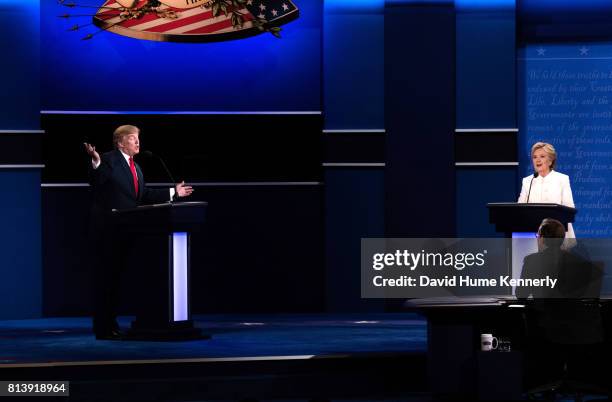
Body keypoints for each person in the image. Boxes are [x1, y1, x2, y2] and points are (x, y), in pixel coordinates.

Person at [84, 125, 193, 340]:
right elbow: (96, 181)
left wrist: (174, 192)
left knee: (118, 281)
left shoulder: (137, 167)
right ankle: (104, 328)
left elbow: (143, 195)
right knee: (107, 281)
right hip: (109, 231)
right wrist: (95, 162)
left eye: (138, 139)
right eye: (132, 139)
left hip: (129, 231)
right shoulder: (108, 159)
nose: (137, 143)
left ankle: (113, 324)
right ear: (120, 142)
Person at [517, 142, 576, 239]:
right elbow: (519, 209)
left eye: (542, 156)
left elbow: (569, 208)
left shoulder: (562, 179)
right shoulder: (528, 181)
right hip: (532, 234)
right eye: (535, 157)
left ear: (550, 161)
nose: (538, 160)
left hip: (558, 234)